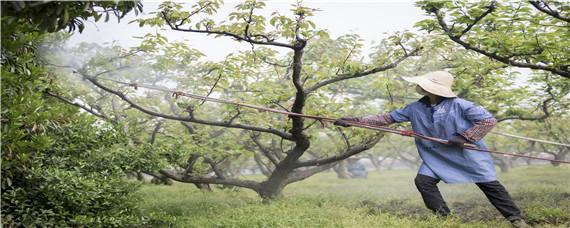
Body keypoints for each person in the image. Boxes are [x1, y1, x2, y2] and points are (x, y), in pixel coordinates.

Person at [334, 71, 528, 228]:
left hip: (466, 153)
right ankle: (445, 218)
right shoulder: (414, 108)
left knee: (489, 185)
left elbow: (488, 121)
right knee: (423, 181)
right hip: (435, 155)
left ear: (431, 87)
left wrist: (465, 136)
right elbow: (387, 118)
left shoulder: (460, 105)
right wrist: (355, 121)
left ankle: (516, 219)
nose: (417, 85)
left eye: (422, 83)